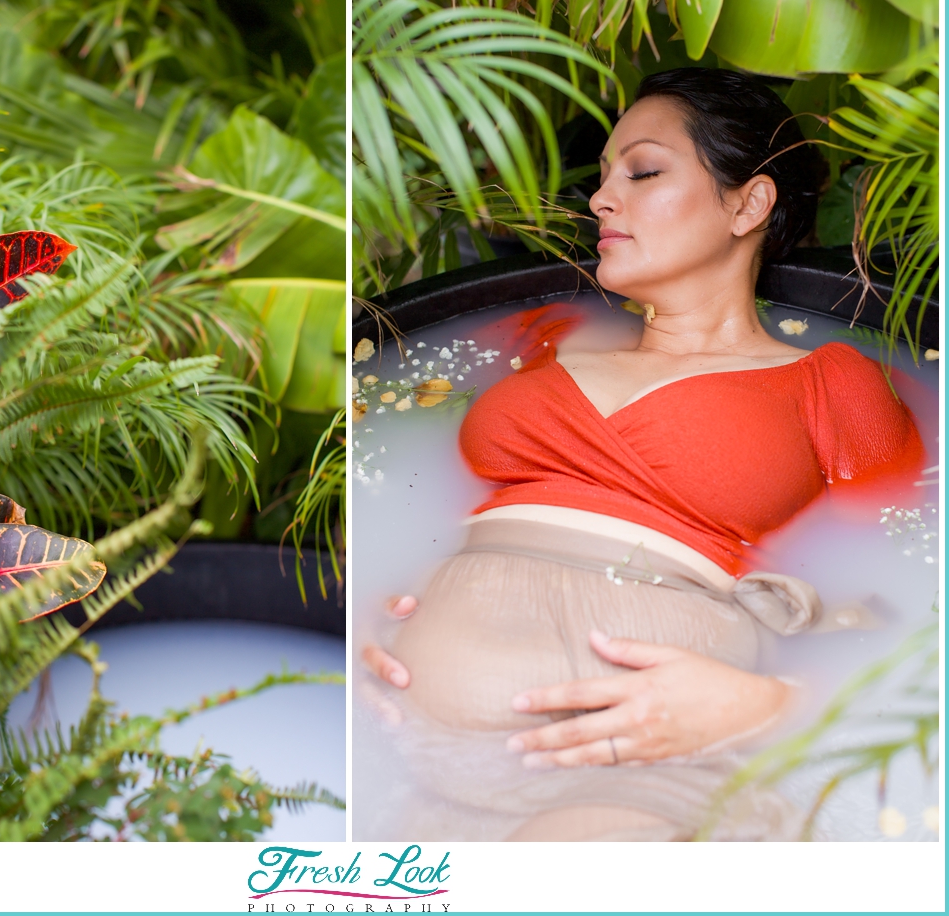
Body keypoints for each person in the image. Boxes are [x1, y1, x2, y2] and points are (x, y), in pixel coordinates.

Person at [360, 67, 925, 841]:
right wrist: (356, 610)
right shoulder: (540, 338)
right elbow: (374, 478)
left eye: (644, 171)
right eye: (601, 178)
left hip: (654, 761)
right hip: (412, 743)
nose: (600, 200)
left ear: (747, 204)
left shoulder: (832, 378)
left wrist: (768, 706)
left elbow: (912, 592)